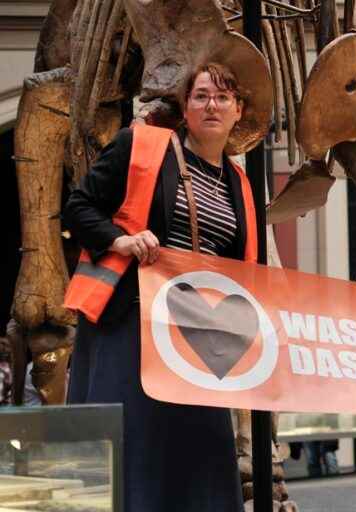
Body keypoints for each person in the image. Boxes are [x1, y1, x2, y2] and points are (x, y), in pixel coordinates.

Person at [63, 55, 269, 511]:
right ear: (185, 106)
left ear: (239, 110)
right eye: (200, 96)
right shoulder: (143, 145)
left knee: (205, 454)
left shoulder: (240, 183)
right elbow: (79, 207)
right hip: (133, 323)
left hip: (200, 337)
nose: (211, 105)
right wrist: (120, 240)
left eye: (222, 96)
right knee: (136, 447)